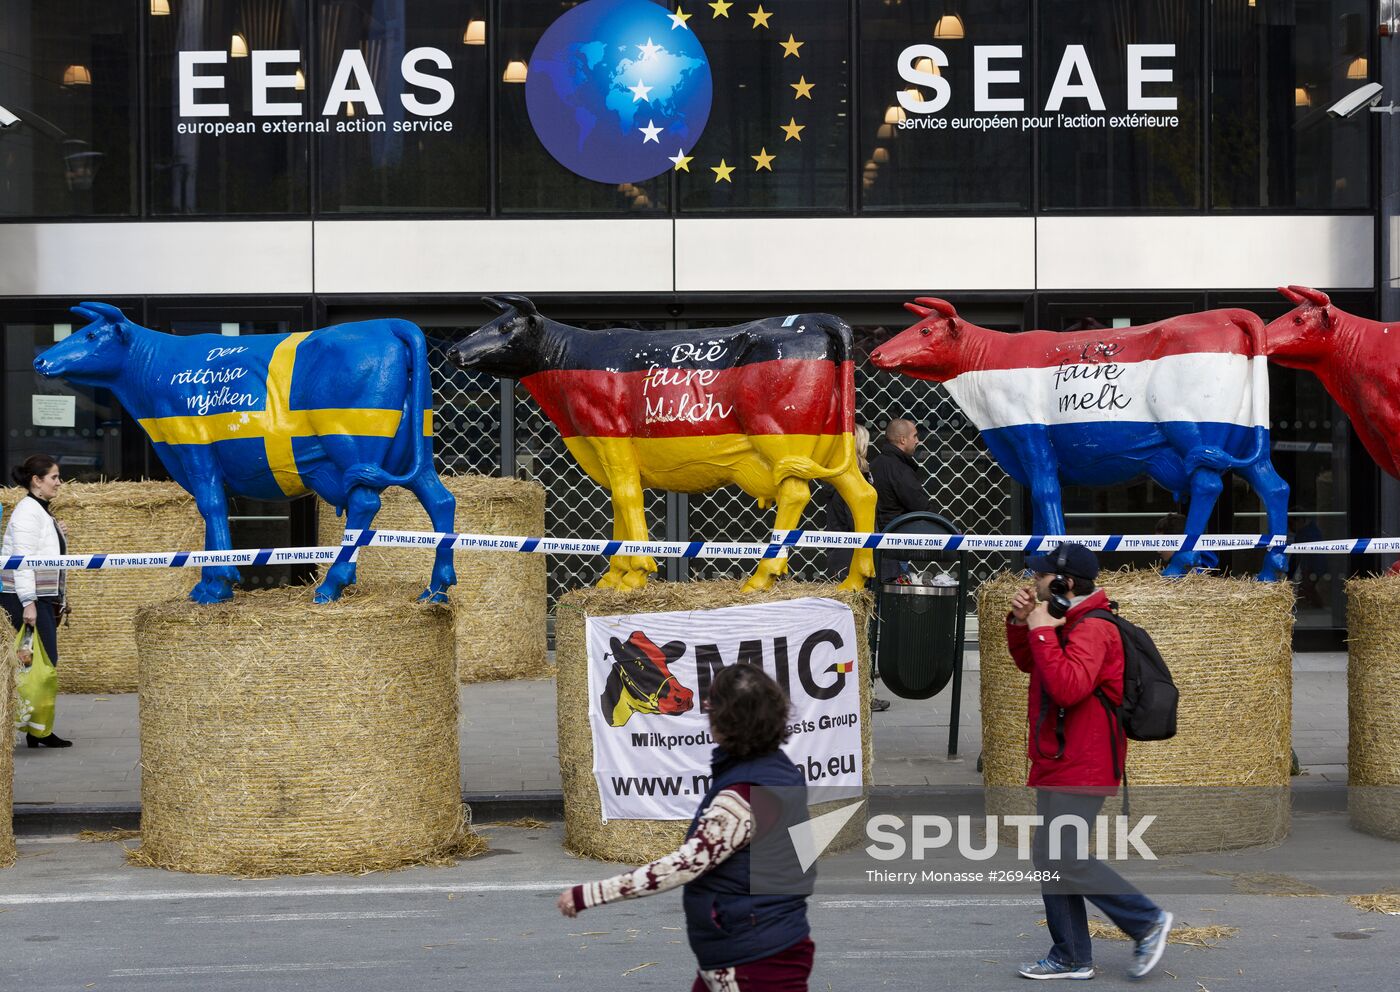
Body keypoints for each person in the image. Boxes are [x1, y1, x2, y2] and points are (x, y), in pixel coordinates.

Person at [557, 665, 815, 991]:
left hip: (750, 961)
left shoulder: (741, 798)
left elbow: (680, 867)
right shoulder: (784, 774)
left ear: (723, 719)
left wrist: (589, 894)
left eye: (710, 706)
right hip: (764, 946)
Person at [1006, 542, 1170, 981]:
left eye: (1039, 576)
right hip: (1061, 756)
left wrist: (1041, 628)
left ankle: (1146, 921)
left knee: (1063, 856)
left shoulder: (1094, 628)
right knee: (1052, 855)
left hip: (1084, 759)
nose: (1033, 583)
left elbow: (1069, 688)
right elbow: (1033, 666)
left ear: (1065, 582)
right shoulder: (1067, 618)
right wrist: (1023, 625)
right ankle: (1071, 956)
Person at [2, 455, 73, 748]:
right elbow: (22, 560)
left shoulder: (39, 511)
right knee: (40, 664)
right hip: (26, 599)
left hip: (39, 598)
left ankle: (37, 730)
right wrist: (29, 602)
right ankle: (35, 730)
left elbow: (42, 553)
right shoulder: (28, 512)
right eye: (54, 477)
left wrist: (58, 534)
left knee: (40, 663)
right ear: (36, 481)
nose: (59, 483)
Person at [818, 424, 871, 580]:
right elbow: (856, 522)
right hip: (853, 557)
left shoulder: (835, 480)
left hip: (839, 553)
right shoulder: (853, 483)